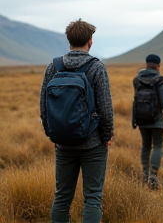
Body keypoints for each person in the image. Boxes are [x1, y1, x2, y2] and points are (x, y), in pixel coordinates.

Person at [40, 19, 114, 223]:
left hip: (63, 143)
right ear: (90, 41)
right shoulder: (96, 67)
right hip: (93, 143)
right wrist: (106, 137)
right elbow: (105, 108)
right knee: (92, 199)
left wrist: (53, 134)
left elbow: (43, 108)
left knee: (62, 198)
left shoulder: (52, 67)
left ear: (69, 40)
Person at [132, 54, 163, 189]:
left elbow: (135, 100)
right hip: (157, 120)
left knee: (145, 146)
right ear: (158, 65)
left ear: (146, 64)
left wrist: (134, 120)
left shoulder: (137, 79)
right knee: (157, 146)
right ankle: (153, 178)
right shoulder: (160, 80)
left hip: (141, 119)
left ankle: (145, 176)